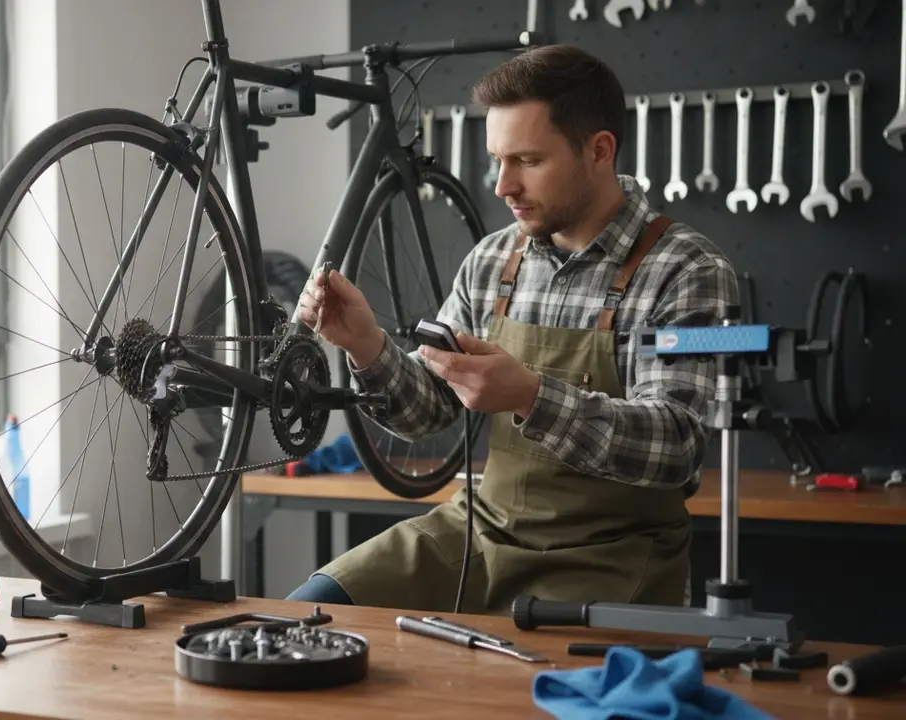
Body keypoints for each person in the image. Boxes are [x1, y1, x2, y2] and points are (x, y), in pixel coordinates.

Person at [286, 44, 739, 614]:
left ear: (599, 151)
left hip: (611, 557)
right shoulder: (493, 260)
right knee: (304, 614)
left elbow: (677, 447)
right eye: (498, 160)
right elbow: (427, 413)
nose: (503, 186)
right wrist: (366, 345)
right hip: (482, 533)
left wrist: (530, 396)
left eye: (527, 161)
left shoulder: (687, 270)